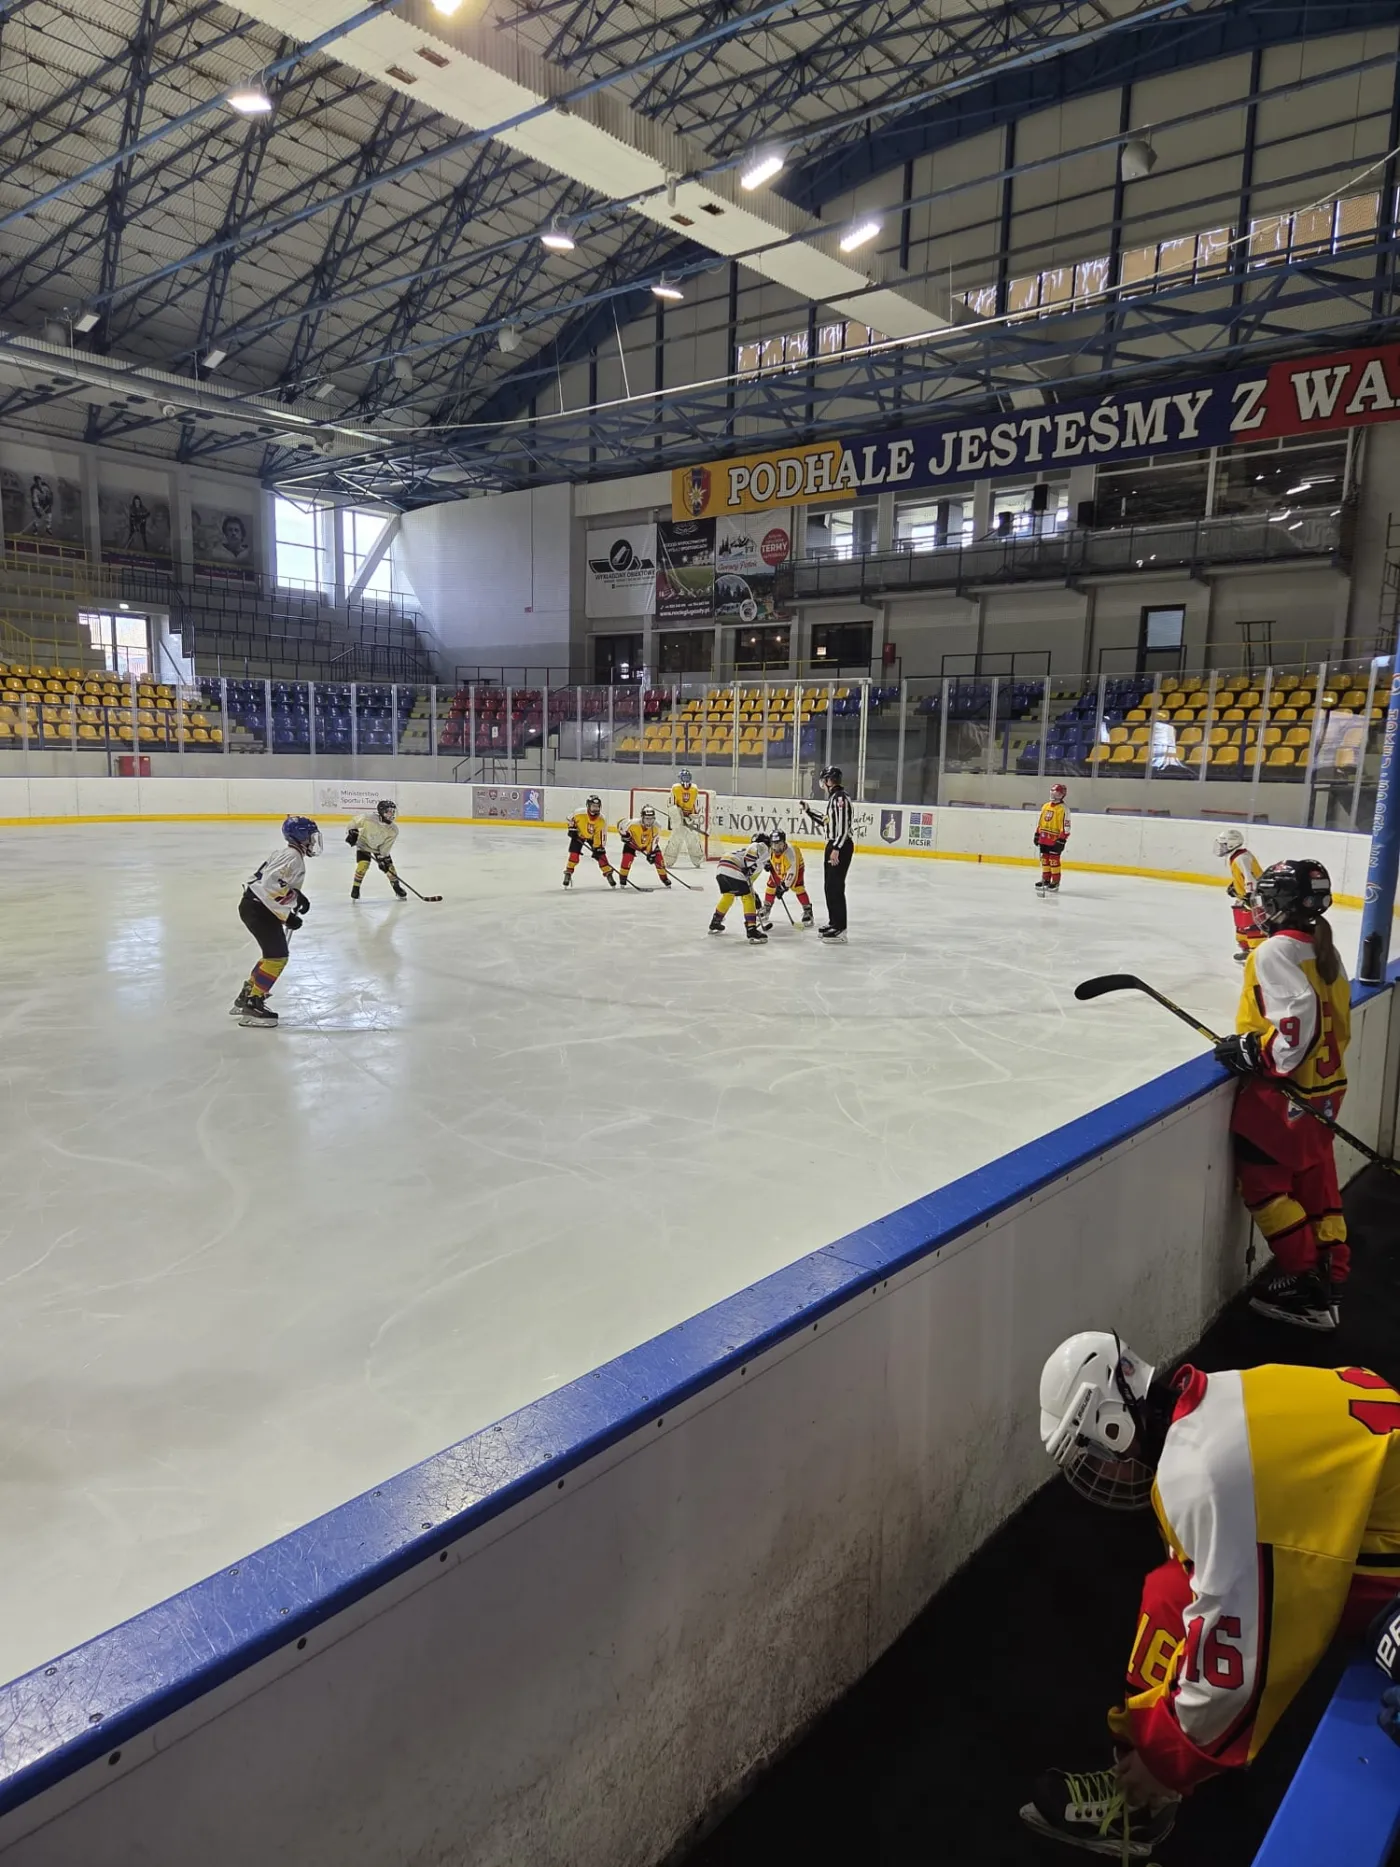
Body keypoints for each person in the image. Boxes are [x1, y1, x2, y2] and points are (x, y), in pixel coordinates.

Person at [1022, 1333, 1400, 1858]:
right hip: (1374, 1514)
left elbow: (1238, 1659)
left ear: (1111, 1424)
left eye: (1091, 1451)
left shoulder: (1202, 1474)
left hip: (1386, 1559)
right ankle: (1140, 1774)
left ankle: (1146, 1788)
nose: (1097, 1470)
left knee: (1232, 1631)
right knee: (1170, 1593)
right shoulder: (1213, 1399)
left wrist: (1167, 1762)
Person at [1212, 858, 1350, 1329]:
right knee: (1315, 1179)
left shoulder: (1275, 951)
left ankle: (1304, 1284)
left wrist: (1257, 1053)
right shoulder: (1323, 949)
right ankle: (1332, 1273)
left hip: (1285, 1093)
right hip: (1326, 1089)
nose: (1261, 907)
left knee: (1265, 1186)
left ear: (1284, 903)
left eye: (1268, 899)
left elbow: (1297, 1021)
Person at [231, 815, 321, 1028]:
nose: (313, 841)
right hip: (259, 909)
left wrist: (296, 897)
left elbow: (271, 883)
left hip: (253, 906)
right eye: (310, 837)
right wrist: (287, 915)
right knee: (277, 957)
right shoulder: (293, 857)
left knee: (271, 955)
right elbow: (271, 886)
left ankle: (247, 995)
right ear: (300, 837)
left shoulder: (285, 853)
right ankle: (253, 1003)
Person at [801, 766, 853, 942]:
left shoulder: (840, 799)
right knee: (830, 886)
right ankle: (834, 922)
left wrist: (836, 848)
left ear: (829, 781)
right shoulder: (834, 798)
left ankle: (840, 928)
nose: (822, 783)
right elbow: (826, 822)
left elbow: (844, 827)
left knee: (836, 886)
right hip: (834, 844)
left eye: (824, 780)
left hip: (840, 845)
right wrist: (809, 811)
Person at [709, 833, 771, 943]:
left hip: (721, 868)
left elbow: (746, 880)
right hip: (733, 868)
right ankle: (751, 929)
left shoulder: (746, 852)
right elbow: (752, 854)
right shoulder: (761, 848)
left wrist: (754, 893)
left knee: (728, 895)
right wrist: (753, 896)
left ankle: (716, 921)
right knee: (748, 897)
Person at [1214, 827, 1264, 964]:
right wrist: (1234, 886)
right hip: (1243, 896)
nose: (1221, 848)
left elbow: (1250, 877)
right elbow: (1241, 876)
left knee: (1251, 924)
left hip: (1253, 896)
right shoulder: (1237, 856)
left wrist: (1250, 895)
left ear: (1231, 844)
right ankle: (1246, 949)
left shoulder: (1242, 858)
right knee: (1241, 924)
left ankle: (1256, 952)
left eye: (1224, 844)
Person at [347, 799, 405, 900]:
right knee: (362, 865)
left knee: (390, 869)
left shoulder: (393, 830)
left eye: (393, 811)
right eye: (389, 811)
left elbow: (386, 847)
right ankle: (355, 888)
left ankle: (397, 888)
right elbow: (354, 822)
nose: (392, 814)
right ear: (382, 812)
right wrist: (352, 832)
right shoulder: (368, 818)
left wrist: (383, 859)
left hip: (378, 849)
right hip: (364, 845)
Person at [761, 827, 814, 928]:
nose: (776, 848)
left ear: (784, 842)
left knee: (797, 887)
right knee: (771, 885)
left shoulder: (790, 853)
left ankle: (808, 911)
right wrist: (765, 862)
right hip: (778, 866)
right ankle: (766, 908)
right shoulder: (770, 849)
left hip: (796, 867)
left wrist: (783, 887)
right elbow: (763, 856)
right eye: (774, 844)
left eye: (779, 844)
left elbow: (791, 873)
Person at [564, 795, 617, 888]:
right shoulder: (579, 813)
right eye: (593, 806)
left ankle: (608, 873)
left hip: (593, 837)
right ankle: (568, 872)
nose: (595, 809)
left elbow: (602, 834)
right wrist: (572, 828)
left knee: (601, 855)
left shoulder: (602, 819)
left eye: (597, 807)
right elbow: (569, 818)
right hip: (579, 835)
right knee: (574, 855)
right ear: (588, 806)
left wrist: (599, 847)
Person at [616, 805, 672, 888]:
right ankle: (623, 879)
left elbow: (655, 839)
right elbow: (620, 824)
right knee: (627, 859)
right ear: (642, 817)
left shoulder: (657, 826)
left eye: (652, 819)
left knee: (659, 859)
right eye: (647, 819)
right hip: (633, 844)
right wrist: (624, 835)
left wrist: (651, 852)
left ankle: (664, 878)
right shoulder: (632, 823)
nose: (649, 821)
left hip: (648, 844)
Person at [1034, 782, 1071, 896]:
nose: (1053, 794)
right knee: (1045, 859)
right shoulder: (1045, 806)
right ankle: (1045, 879)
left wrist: (1062, 839)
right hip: (1044, 838)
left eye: (1057, 792)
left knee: (1054, 860)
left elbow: (1066, 825)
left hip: (1055, 839)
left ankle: (1055, 881)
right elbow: (1041, 821)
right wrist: (1037, 834)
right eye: (1052, 791)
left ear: (1062, 795)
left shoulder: (1064, 809)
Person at [666, 769, 706, 868]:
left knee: (693, 839)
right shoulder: (675, 788)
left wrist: (693, 815)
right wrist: (678, 817)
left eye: (687, 777)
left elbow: (696, 804)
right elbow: (671, 805)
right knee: (675, 839)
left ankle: (697, 860)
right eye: (684, 777)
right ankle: (668, 860)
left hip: (689, 818)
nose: (685, 779)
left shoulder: (694, 789)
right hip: (678, 818)